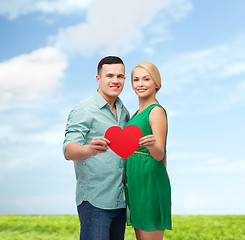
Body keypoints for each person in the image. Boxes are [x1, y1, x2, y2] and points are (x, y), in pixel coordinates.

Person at [63, 56, 130, 240]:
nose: (115, 80)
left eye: (120, 76)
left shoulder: (123, 111)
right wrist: (89, 150)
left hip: (120, 202)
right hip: (95, 202)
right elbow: (69, 150)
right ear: (98, 79)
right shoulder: (84, 108)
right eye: (109, 75)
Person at [125, 62, 172, 240]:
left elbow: (160, 154)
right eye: (136, 80)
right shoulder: (136, 114)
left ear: (156, 84)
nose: (140, 84)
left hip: (149, 180)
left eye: (146, 79)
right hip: (136, 180)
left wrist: (152, 145)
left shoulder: (156, 111)